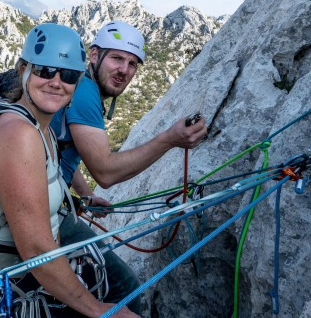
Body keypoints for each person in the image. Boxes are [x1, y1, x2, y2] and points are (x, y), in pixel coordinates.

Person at [0, 23, 138, 318]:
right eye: (45, 70)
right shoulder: (18, 134)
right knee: (124, 298)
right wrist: (96, 309)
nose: (56, 82)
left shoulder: (42, 128)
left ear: (79, 81)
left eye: (68, 74)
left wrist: (82, 196)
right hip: (7, 288)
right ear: (23, 69)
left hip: (22, 279)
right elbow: (34, 247)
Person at [50, 20, 208, 315]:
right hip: (46, 213)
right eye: (117, 58)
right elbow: (106, 172)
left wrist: (84, 194)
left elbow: (61, 150)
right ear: (94, 55)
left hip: (50, 195)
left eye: (133, 63)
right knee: (124, 291)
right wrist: (170, 139)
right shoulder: (84, 92)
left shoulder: (82, 85)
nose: (125, 70)